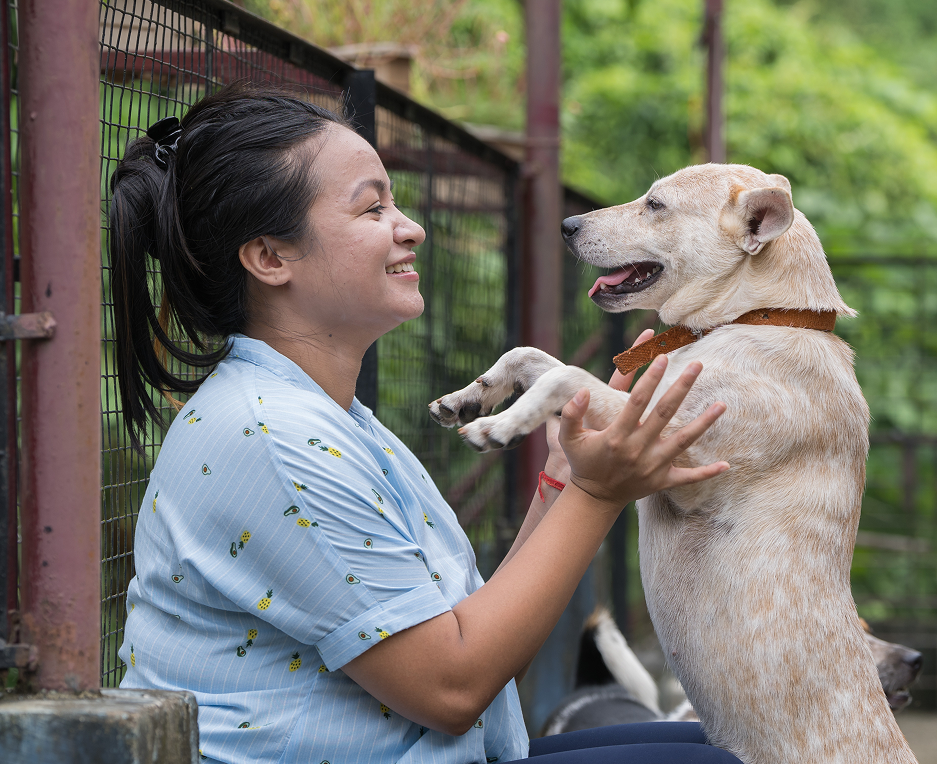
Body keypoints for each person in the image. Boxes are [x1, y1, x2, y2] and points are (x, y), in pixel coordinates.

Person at [108, 82, 736, 764]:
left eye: (395, 202)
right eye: (372, 208)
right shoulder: (274, 440)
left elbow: (477, 653)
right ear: (270, 257)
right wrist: (598, 495)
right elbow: (453, 687)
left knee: (737, 743)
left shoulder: (330, 419)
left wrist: (564, 480)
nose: (411, 226)